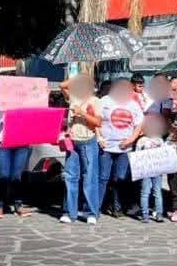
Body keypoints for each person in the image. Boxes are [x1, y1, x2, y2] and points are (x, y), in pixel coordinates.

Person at [95, 75, 145, 218]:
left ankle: (116, 206)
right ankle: (96, 208)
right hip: (106, 147)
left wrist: (131, 139)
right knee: (103, 178)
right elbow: (96, 119)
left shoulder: (133, 105)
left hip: (124, 148)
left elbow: (139, 124)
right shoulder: (105, 101)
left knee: (119, 178)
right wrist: (99, 137)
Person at [60, 73, 101, 224]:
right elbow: (62, 86)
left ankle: (91, 212)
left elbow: (98, 122)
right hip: (72, 142)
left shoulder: (96, 101)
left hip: (88, 142)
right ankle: (69, 212)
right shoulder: (74, 98)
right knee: (70, 177)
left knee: (89, 178)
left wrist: (82, 113)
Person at [0, 91, 34, 219]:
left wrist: (42, 95)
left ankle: (18, 204)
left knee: (16, 175)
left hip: (21, 140)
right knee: (3, 174)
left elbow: (35, 113)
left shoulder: (25, 99)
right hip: (0, 141)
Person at [132, 112, 169, 223]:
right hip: (145, 170)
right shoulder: (141, 141)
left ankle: (159, 213)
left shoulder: (160, 140)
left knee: (157, 192)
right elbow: (137, 156)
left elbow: (164, 154)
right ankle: (145, 214)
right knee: (145, 192)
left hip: (157, 170)